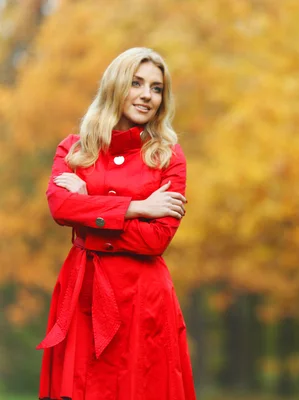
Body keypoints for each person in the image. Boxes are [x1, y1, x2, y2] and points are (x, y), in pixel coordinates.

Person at [37, 47, 197, 400]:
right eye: (136, 83)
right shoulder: (75, 149)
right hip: (82, 295)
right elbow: (61, 207)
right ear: (115, 86)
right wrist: (137, 207)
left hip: (143, 301)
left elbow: (156, 239)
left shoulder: (168, 156)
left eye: (156, 88)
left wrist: (87, 214)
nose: (147, 96)